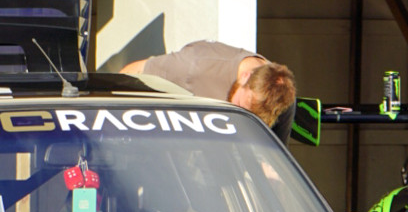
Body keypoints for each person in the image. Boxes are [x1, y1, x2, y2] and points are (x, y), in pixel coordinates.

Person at [120, 41, 297, 144]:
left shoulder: (281, 103)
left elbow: (268, 164)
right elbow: (131, 73)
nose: (240, 120)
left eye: (251, 120)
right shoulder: (196, 67)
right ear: (245, 77)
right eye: (240, 107)